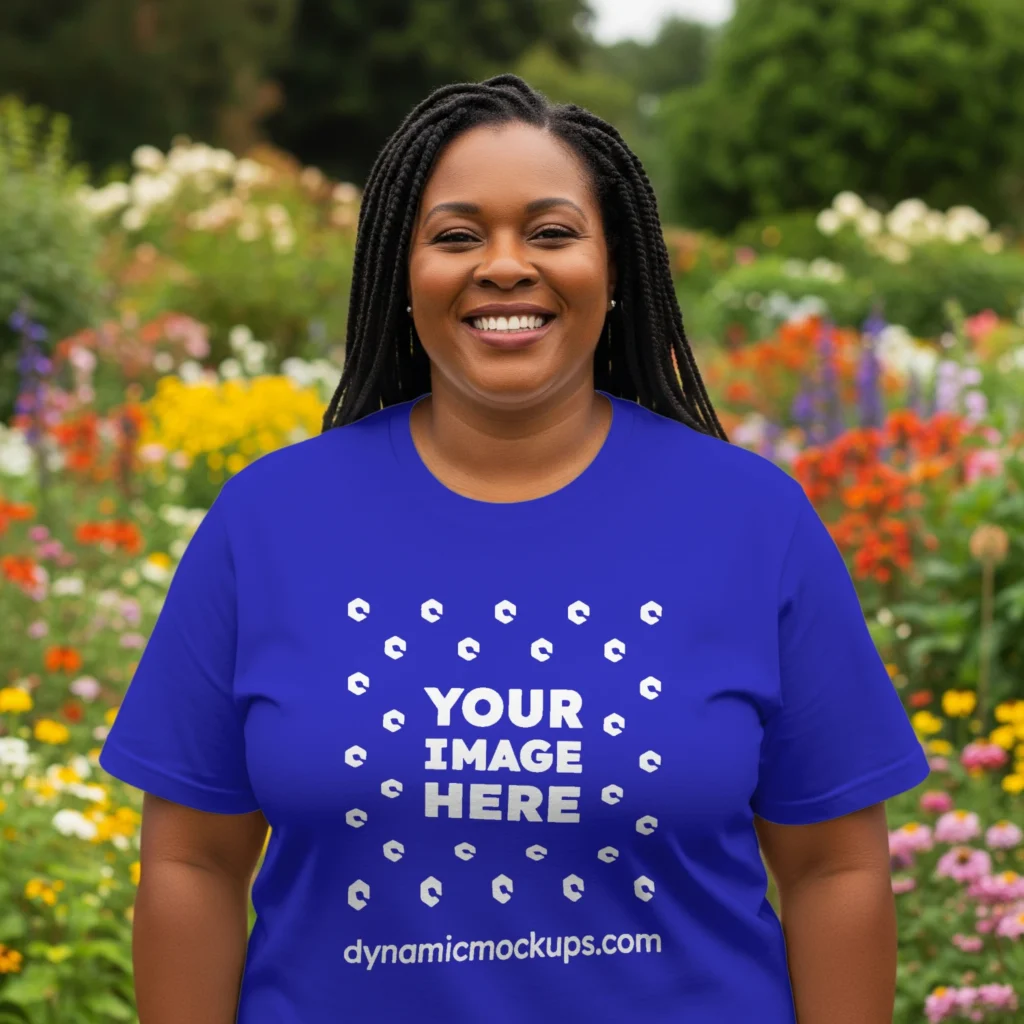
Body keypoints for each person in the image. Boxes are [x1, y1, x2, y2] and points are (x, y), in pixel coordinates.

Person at [99, 74, 930, 1024]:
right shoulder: (267, 523)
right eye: (456, 236)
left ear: (614, 267)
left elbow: (836, 867)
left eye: (551, 232)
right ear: (398, 275)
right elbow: (192, 860)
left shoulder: (754, 522)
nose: (504, 266)